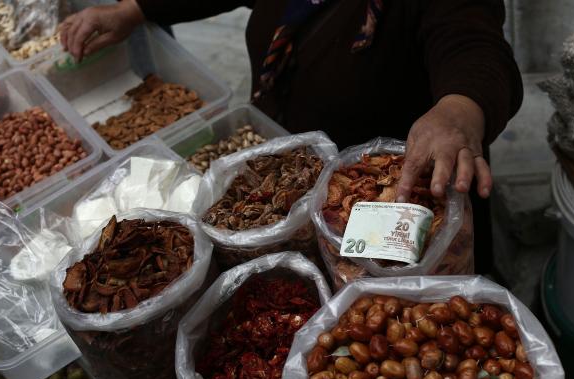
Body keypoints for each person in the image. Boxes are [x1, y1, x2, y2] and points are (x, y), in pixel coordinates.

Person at [61, 0, 523, 273]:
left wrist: (460, 108)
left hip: (395, 206)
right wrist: (135, 9)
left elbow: (473, 42)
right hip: (296, 185)